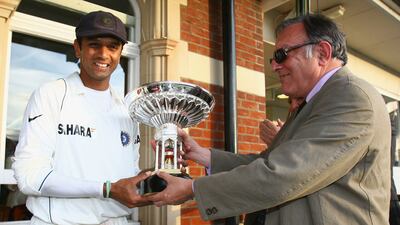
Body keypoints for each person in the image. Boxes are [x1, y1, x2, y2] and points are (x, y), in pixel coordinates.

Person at [146, 14, 392, 225]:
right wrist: (202, 155)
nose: (274, 65)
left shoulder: (351, 97)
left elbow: (285, 174)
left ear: (322, 53)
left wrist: (192, 189)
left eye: (281, 54)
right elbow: (268, 161)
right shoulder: (310, 103)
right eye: (272, 58)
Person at [12, 11, 151, 225]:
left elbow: (127, 174)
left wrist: (154, 177)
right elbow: (29, 177)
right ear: (78, 48)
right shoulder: (52, 94)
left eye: (113, 47)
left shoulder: (126, 111)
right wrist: (107, 189)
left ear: (121, 52)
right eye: (94, 44)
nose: (104, 54)